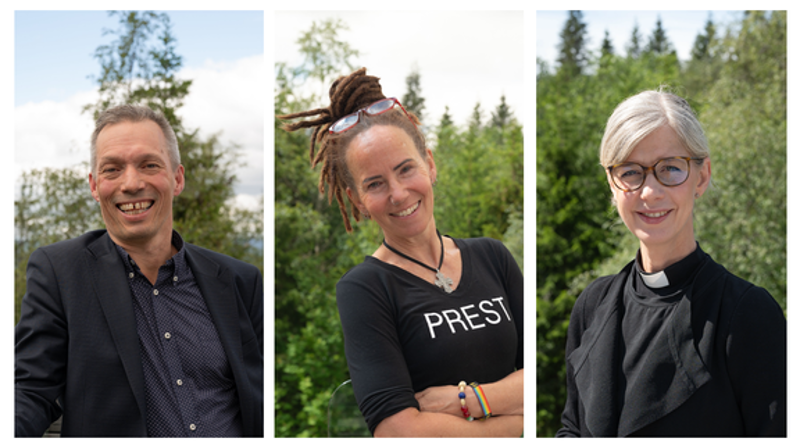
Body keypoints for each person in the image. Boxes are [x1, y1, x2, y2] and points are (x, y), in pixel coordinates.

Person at [280, 68, 523, 437]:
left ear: (430, 164)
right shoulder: (364, 289)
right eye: (374, 184)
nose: (397, 193)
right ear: (356, 201)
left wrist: (472, 400)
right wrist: (518, 426)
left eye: (405, 169)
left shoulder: (493, 257)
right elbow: (398, 432)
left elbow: (545, 374)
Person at [15, 105, 264, 437]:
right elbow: (29, 392)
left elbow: (261, 398)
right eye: (112, 169)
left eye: (149, 165)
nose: (131, 183)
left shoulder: (239, 281)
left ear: (177, 178)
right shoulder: (59, 274)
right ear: (94, 185)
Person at [556, 90, 786, 437]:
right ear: (611, 183)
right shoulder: (592, 305)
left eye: (670, 169)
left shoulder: (747, 314)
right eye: (631, 172)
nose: (649, 192)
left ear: (702, 176)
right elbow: (572, 428)